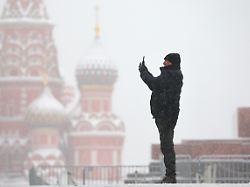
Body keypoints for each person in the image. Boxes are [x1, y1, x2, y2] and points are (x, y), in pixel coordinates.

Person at [138, 53, 183, 183]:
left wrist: (143, 72)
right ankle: (170, 175)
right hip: (165, 114)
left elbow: (154, 84)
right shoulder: (171, 74)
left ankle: (171, 176)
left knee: (167, 145)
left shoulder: (172, 75)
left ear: (172, 63)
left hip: (166, 115)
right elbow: (157, 85)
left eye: (166, 61)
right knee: (166, 145)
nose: (163, 63)